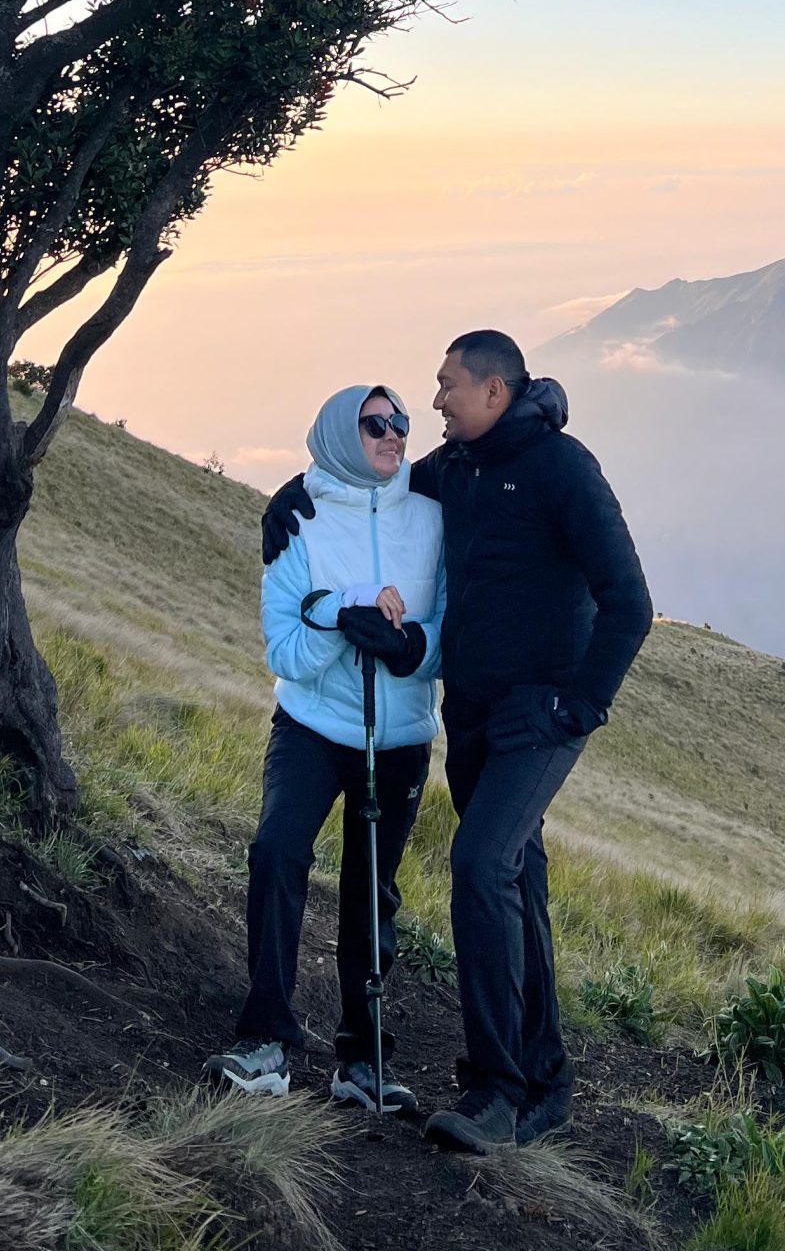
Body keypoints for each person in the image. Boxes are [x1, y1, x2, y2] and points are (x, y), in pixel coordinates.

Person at [261, 330, 652, 1153]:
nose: (431, 403)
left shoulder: (564, 469)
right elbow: (371, 481)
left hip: (539, 718)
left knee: (478, 865)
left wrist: (578, 707)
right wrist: (291, 494)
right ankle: (546, 1083)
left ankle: (497, 1090)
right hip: (473, 714)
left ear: (494, 391)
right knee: (516, 881)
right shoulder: (456, 467)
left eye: (446, 387)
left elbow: (629, 602)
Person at [205, 383, 444, 1114]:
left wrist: (409, 647)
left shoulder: (431, 514)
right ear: (343, 433)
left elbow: (451, 631)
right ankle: (266, 1042)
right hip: (310, 727)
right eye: (375, 423)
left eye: (401, 422)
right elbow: (283, 649)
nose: (393, 434)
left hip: (397, 737)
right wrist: (342, 618)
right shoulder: (298, 517)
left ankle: (363, 1059)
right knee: (277, 852)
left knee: (372, 889)